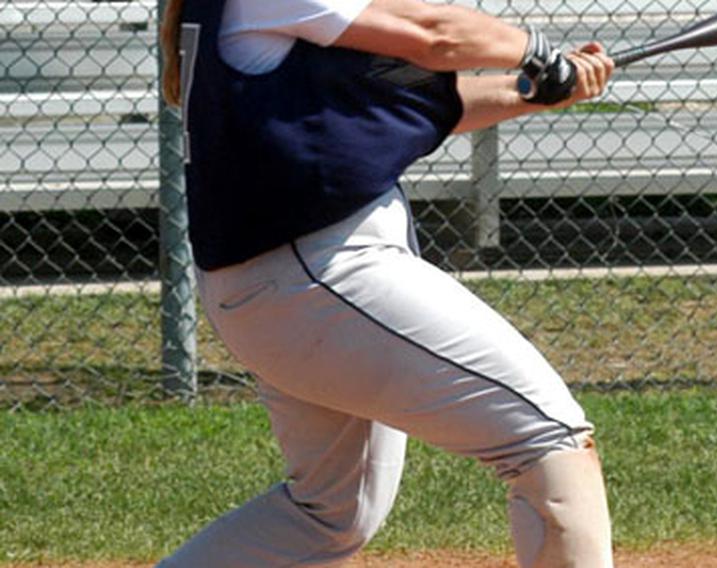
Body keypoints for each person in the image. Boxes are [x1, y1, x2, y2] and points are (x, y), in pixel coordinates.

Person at [157, 0, 615, 565]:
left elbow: (403, 102)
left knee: (328, 514)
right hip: (317, 275)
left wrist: (534, 89)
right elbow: (437, 35)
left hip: (288, 282)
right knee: (550, 437)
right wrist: (537, 51)